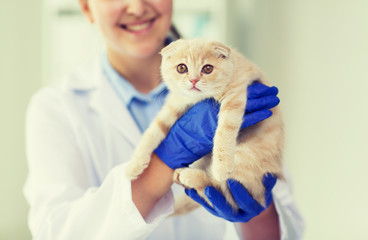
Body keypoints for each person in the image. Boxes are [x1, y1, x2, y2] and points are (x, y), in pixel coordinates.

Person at [24, 0, 304, 239]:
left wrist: (256, 210)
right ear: (86, 7)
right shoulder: (56, 108)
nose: (136, 7)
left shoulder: (233, 79)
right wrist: (165, 158)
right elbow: (56, 230)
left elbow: (284, 229)